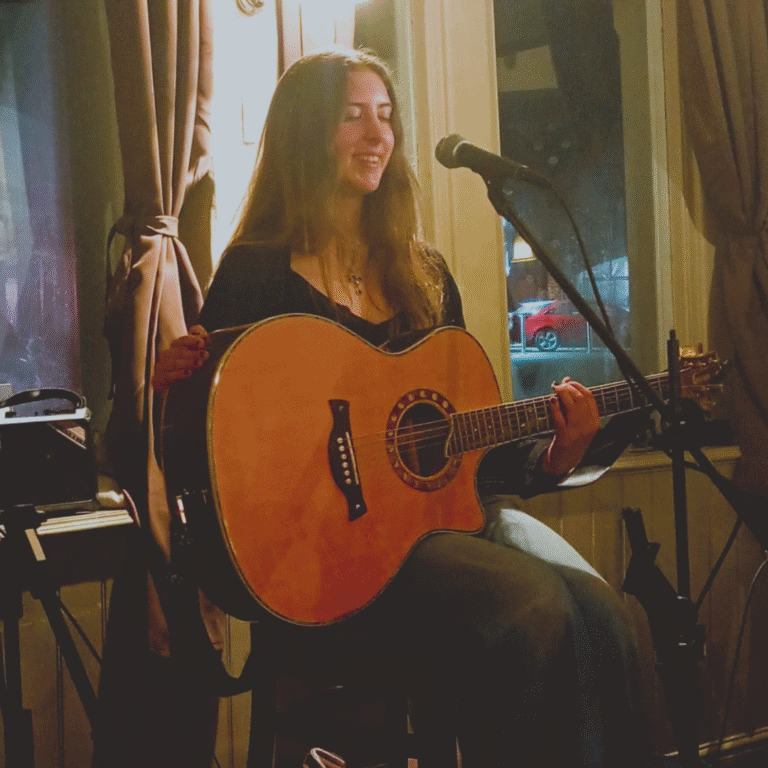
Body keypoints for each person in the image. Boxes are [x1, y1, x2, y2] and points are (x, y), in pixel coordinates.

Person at [152, 48, 656, 768]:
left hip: (450, 521)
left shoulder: (424, 274)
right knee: (534, 609)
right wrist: (179, 380)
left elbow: (465, 453)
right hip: (335, 560)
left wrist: (556, 455)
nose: (376, 135)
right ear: (306, 132)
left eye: (385, 116)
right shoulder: (258, 271)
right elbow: (216, 434)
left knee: (607, 614)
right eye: (352, 116)